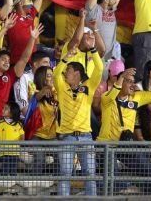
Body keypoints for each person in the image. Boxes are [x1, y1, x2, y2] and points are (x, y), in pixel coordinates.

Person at [54, 44, 103, 196]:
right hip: (67, 137)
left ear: (76, 73)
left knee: (90, 175)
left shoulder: (89, 87)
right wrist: (65, 58)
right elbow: (56, 74)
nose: (64, 73)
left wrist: (93, 50)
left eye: (67, 70)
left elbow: (100, 68)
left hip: (86, 137)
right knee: (65, 175)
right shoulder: (62, 88)